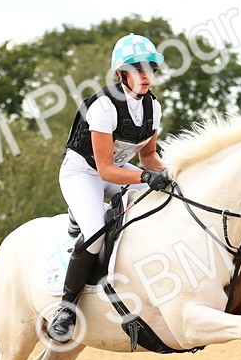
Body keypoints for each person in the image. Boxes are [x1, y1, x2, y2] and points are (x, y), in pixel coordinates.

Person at [49, 33, 174, 343]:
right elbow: (105, 169)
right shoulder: (104, 106)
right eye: (138, 70)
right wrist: (145, 178)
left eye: (150, 70)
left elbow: (148, 156)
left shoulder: (152, 107)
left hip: (118, 170)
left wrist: (171, 176)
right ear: (122, 75)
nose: (146, 76)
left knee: (163, 202)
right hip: (84, 173)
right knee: (95, 234)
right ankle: (66, 308)